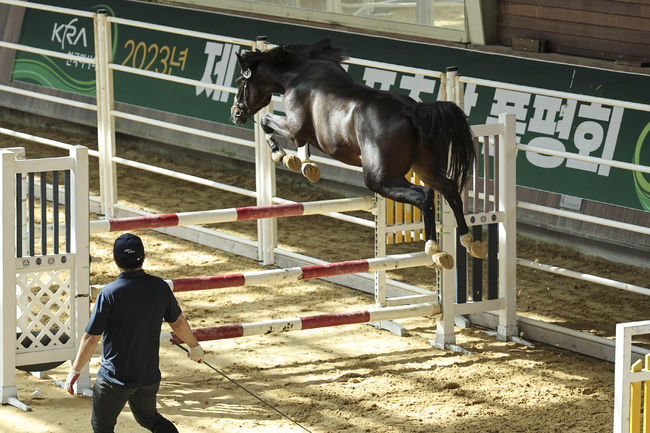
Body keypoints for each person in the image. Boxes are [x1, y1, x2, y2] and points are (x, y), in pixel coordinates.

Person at [64, 233, 205, 433]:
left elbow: (92, 337)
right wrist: (195, 347)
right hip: (148, 377)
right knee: (151, 419)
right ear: (144, 257)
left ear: (115, 260)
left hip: (114, 379)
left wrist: (74, 371)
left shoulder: (109, 293)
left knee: (101, 426)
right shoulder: (160, 287)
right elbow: (179, 322)